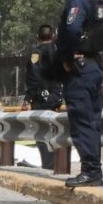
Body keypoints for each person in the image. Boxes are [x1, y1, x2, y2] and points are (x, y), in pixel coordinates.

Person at [56, 0, 103, 188]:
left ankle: (91, 172)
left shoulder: (78, 1)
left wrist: (67, 58)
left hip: (80, 67)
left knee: (82, 121)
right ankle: (93, 171)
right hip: (93, 64)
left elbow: (71, 30)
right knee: (92, 121)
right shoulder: (98, 1)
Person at [22, 24, 63, 170]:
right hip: (56, 96)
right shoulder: (59, 51)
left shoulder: (36, 54)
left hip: (41, 98)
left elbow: (33, 79)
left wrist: (27, 99)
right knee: (56, 130)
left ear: (37, 37)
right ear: (53, 36)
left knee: (42, 132)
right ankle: (57, 164)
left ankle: (48, 165)